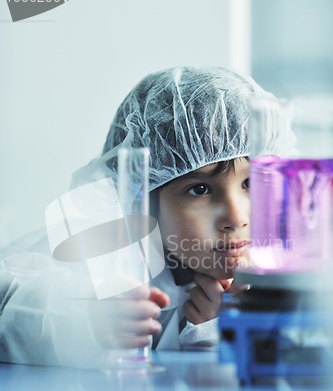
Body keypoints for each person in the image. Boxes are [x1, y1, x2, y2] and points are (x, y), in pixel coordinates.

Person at [0, 66, 277, 367]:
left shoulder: (285, 275)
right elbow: (8, 295)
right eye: (199, 189)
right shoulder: (105, 250)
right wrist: (88, 320)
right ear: (143, 199)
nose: (236, 218)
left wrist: (218, 334)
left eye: (251, 183)